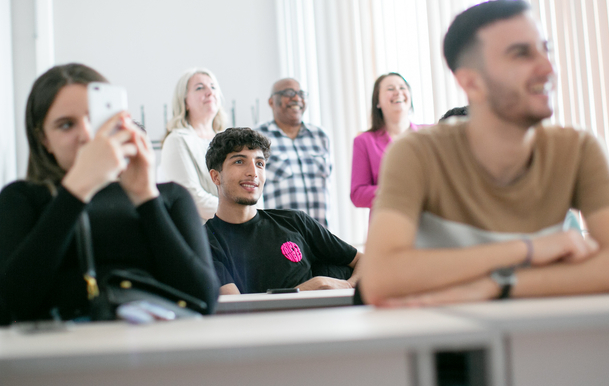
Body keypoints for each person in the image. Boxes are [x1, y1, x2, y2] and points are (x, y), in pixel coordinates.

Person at [361, 0, 609, 307]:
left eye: (546, 50)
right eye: (521, 54)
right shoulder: (414, 154)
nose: (548, 68)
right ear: (471, 83)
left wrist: (498, 284)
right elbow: (380, 279)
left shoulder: (579, 149)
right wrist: (528, 250)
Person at [0, 64, 219, 323]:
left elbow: (204, 298)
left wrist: (145, 196)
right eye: (66, 125)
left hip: (161, 355)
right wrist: (76, 190)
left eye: (94, 119)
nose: (86, 135)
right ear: (44, 140)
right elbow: (9, 306)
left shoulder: (170, 196)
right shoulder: (23, 198)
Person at [204, 128, 360, 294]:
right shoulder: (204, 242)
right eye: (239, 162)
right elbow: (238, 310)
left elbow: (362, 261)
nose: (253, 173)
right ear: (215, 176)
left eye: (259, 164)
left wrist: (348, 285)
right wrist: (302, 291)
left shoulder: (295, 221)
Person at [255, 78, 331, 226]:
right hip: (280, 234)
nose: (297, 98)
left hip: (322, 235)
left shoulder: (320, 135)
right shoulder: (258, 136)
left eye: (301, 94)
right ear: (271, 102)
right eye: (289, 93)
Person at [350, 72, 425, 209]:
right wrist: (400, 190)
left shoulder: (429, 134)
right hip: (388, 223)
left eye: (402, 88)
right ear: (377, 102)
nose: (398, 92)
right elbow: (358, 195)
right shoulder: (364, 141)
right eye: (390, 89)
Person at [161, 68, 227, 221]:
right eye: (199, 88)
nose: (209, 92)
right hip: (206, 235)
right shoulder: (177, 140)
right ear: (184, 101)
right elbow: (192, 198)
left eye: (213, 87)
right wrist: (240, 213)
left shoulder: (230, 140)